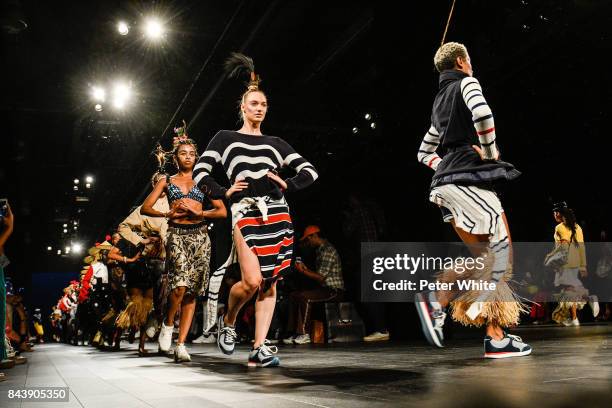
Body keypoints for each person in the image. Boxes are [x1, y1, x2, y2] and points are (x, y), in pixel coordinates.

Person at [193, 53, 318, 367]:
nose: (259, 108)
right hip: (245, 213)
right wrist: (224, 191)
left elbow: (310, 172)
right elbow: (200, 173)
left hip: (277, 213)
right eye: (254, 104)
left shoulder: (275, 142)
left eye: (263, 104)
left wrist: (288, 183)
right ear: (243, 107)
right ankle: (230, 320)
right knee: (250, 280)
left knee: (270, 281)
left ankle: (259, 347)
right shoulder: (226, 138)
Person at [415, 42, 532, 358]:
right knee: (501, 258)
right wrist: (490, 154)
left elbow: (424, 153)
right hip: (467, 183)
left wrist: (448, 166)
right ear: (461, 61)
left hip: (445, 187)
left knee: (489, 261)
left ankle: (494, 335)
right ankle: (437, 298)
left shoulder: (439, 103)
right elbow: (482, 113)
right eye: (469, 60)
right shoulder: (466, 82)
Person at [142, 127, 226, 362]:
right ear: (175, 158)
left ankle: (181, 345)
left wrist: (200, 211)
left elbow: (221, 212)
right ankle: (169, 324)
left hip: (200, 237)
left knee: (193, 292)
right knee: (179, 286)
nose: (187, 156)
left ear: (196, 157)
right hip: (177, 235)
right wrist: (168, 213)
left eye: (191, 153)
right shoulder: (166, 181)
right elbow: (145, 208)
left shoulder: (204, 181)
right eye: (183, 153)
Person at [116, 172, 169, 355]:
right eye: (158, 181)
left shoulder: (175, 204)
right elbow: (123, 227)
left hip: (172, 258)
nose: (163, 183)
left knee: (168, 301)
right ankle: (142, 343)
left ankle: (165, 337)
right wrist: (141, 240)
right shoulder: (143, 208)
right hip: (151, 262)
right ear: (153, 183)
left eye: (165, 180)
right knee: (150, 302)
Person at [284, 225, 344, 344]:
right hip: (324, 289)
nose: (307, 242)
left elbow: (321, 278)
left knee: (304, 297)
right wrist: (305, 269)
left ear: (314, 236)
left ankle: (304, 334)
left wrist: (303, 271)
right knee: (294, 295)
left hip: (334, 291)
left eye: (308, 239)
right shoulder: (320, 250)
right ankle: (293, 332)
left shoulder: (327, 250)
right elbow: (319, 274)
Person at [549, 202, 599, 325]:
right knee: (570, 290)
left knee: (569, 289)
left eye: (555, 213)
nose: (554, 216)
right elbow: (582, 248)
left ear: (558, 213)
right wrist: (583, 265)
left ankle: (589, 300)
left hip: (565, 262)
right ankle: (574, 318)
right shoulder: (577, 227)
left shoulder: (560, 227)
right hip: (575, 262)